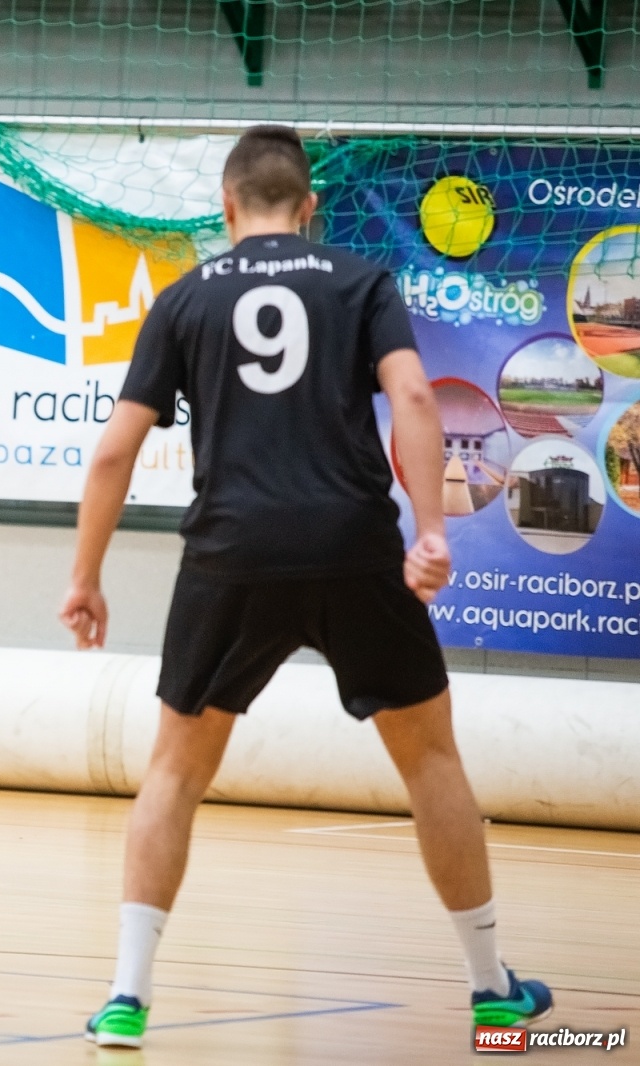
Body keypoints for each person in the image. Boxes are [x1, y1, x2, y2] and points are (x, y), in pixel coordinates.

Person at [59, 126, 553, 1048]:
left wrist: (85, 577)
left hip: (230, 552)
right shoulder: (361, 282)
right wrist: (434, 531)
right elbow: (413, 400)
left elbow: (116, 450)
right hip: (354, 546)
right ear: (311, 208)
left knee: (173, 773)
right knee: (432, 762)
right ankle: (490, 989)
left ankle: (127, 997)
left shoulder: (182, 300)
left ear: (228, 207)